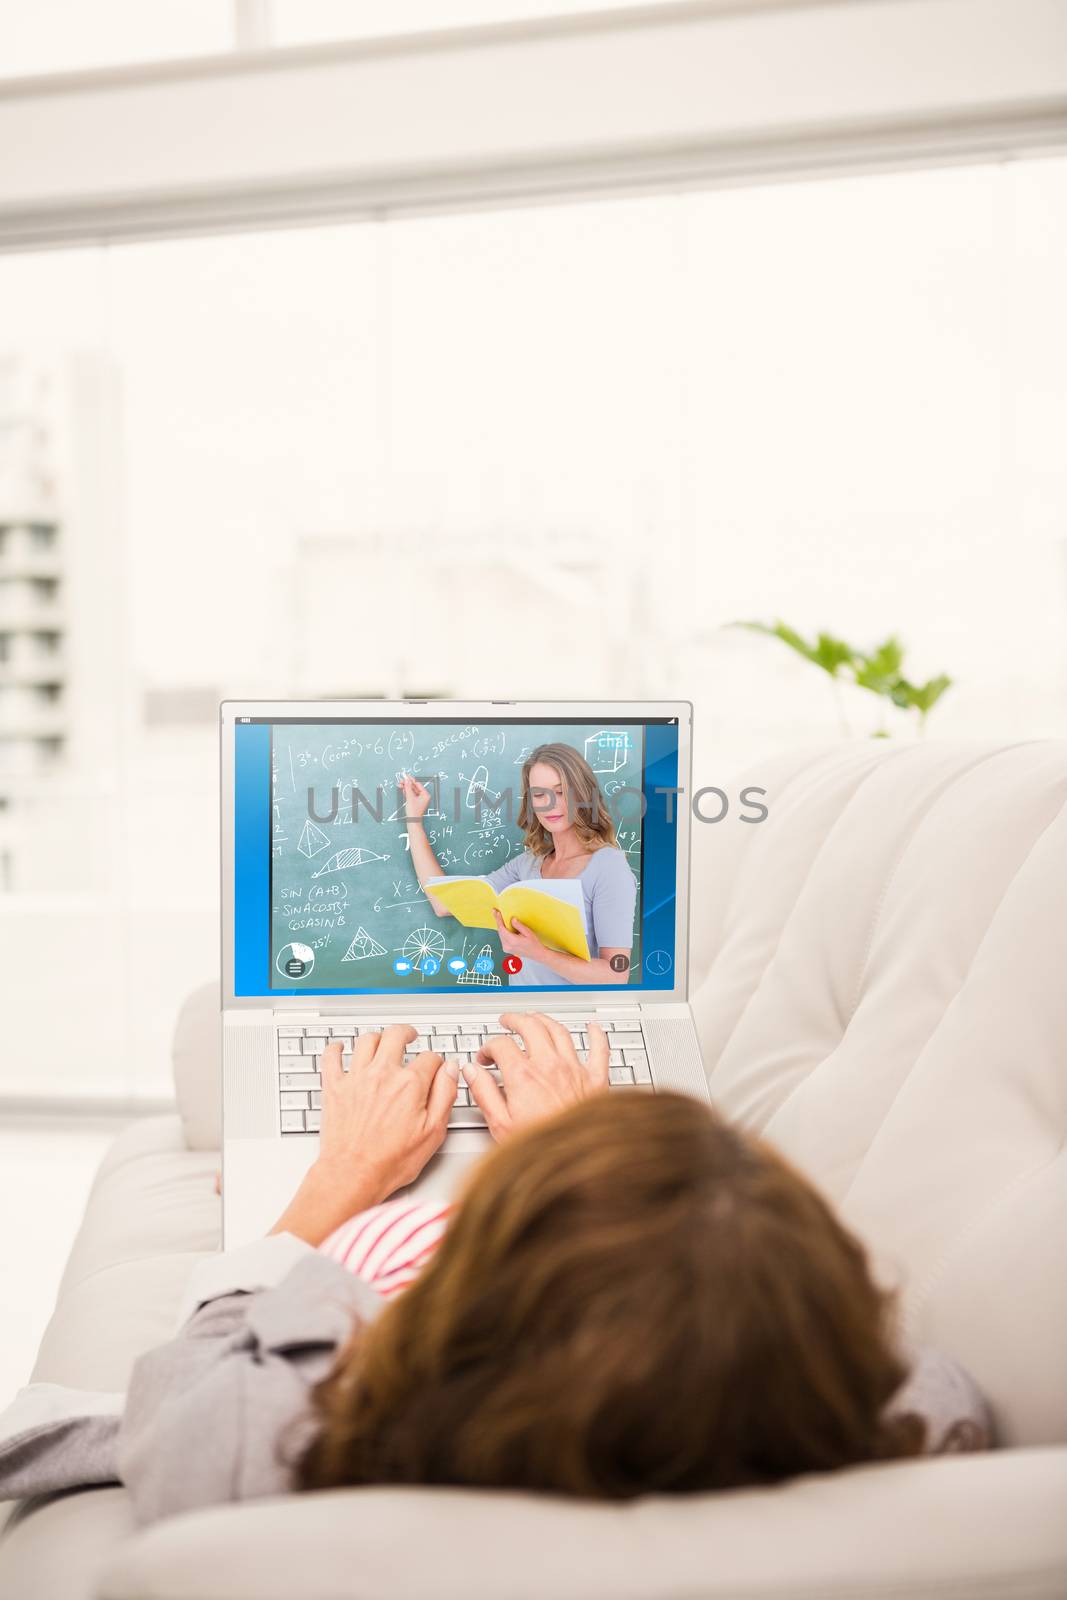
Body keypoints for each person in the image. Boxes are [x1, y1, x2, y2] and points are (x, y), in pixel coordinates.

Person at [112, 1018, 989, 1525]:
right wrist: (588, 1168)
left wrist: (338, 1180)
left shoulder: (250, 1443)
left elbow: (197, 1383)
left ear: (471, 1316)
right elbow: (893, 1367)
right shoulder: (924, 1420)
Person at [402, 742, 638, 985]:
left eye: (560, 791)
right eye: (539, 794)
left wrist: (540, 953)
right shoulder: (527, 865)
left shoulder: (609, 868)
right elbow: (443, 903)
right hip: (521, 1015)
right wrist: (413, 819)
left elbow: (616, 974)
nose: (550, 804)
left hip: (572, 1019)